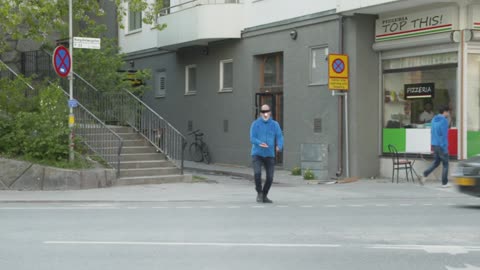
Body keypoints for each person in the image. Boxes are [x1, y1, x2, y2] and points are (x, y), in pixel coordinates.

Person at [250, 104, 283, 203]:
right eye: (263, 112)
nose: (265, 114)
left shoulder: (275, 124)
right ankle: (259, 192)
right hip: (257, 153)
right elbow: (252, 138)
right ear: (260, 113)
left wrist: (279, 146)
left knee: (270, 177)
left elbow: (280, 136)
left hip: (269, 154)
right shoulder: (255, 124)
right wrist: (260, 143)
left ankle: (264, 195)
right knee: (257, 173)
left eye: (267, 111)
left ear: (270, 113)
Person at [421, 105, 450, 187]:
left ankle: (425, 174)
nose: (449, 113)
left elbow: (432, 131)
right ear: (445, 112)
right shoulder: (444, 121)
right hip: (441, 145)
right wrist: (444, 147)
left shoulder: (433, 119)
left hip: (434, 144)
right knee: (445, 164)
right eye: (448, 112)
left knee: (436, 163)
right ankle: (444, 183)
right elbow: (443, 135)